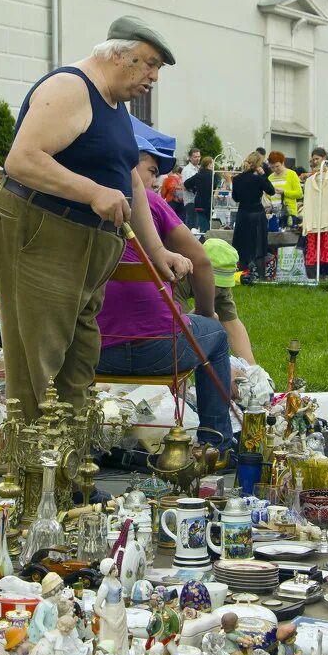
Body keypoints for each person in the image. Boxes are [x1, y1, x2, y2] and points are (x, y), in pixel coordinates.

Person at [0, 16, 191, 424]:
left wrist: (156, 251)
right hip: (43, 232)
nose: (153, 77)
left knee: (78, 360)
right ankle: (34, 477)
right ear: (119, 54)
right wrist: (92, 192)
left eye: (157, 69)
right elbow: (21, 160)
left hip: (85, 247)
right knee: (38, 362)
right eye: (148, 64)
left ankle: (71, 471)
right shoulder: (71, 88)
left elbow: (130, 179)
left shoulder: (113, 104)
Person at [97, 140, 234, 459]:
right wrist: (204, 313)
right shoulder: (150, 202)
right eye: (151, 171)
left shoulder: (79, 204)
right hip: (161, 351)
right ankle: (216, 444)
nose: (156, 181)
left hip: (94, 353)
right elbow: (200, 260)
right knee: (216, 336)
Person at [174, 238, 256, 364]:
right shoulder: (177, 277)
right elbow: (181, 331)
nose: (220, 291)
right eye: (216, 284)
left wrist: (252, 369)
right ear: (200, 271)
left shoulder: (221, 290)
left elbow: (233, 326)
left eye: (224, 286)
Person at [231, 151, 275, 278]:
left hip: (243, 213)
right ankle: (261, 277)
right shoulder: (258, 179)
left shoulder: (237, 179)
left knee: (242, 245)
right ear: (258, 164)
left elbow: (236, 198)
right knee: (259, 246)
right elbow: (271, 191)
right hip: (257, 213)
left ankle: (242, 275)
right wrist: (263, 175)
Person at [266, 150, 303, 221]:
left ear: (282, 162)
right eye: (272, 167)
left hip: (289, 213)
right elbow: (269, 196)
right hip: (274, 214)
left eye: (277, 166)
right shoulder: (270, 177)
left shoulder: (292, 174)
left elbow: (299, 194)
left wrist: (284, 192)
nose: (275, 169)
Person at [183, 155, 214, 232]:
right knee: (208, 225)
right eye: (213, 163)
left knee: (202, 225)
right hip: (209, 203)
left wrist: (194, 189)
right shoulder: (214, 175)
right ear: (209, 164)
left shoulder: (198, 175)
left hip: (199, 203)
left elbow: (186, 184)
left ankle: (202, 240)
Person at [181, 147, 201, 227]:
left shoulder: (198, 168)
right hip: (191, 201)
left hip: (197, 201)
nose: (198, 159)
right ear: (190, 158)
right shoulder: (187, 170)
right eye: (195, 157)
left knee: (197, 225)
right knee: (192, 225)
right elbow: (186, 186)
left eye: (199, 156)